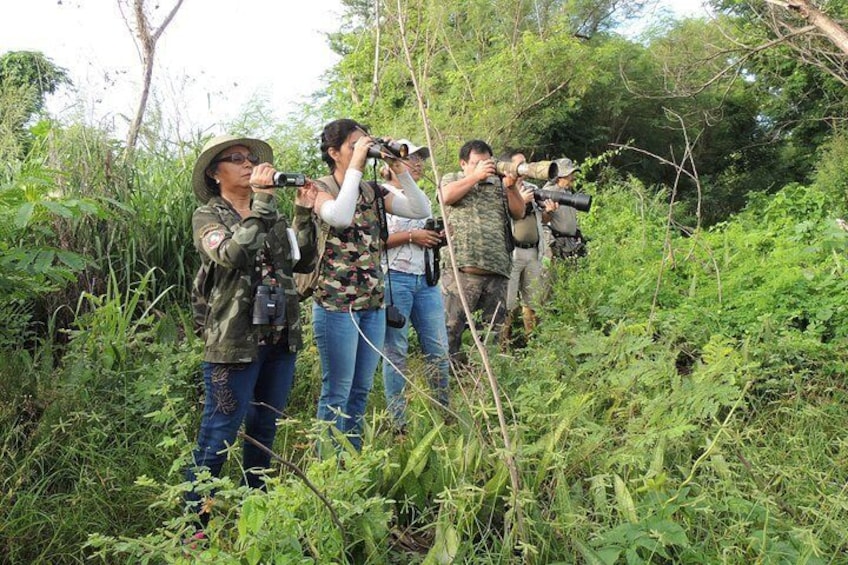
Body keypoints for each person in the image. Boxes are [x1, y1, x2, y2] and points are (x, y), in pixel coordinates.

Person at [185, 134, 317, 522]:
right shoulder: (208, 216)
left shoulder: (272, 214)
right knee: (219, 433)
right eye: (236, 159)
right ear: (215, 172)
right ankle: (195, 524)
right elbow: (232, 254)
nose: (248, 164)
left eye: (251, 158)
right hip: (234, 343)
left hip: (279, 338)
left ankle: (254, 515)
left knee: (264, 431)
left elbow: (303, 262)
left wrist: (304, 214)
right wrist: (262, 203)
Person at [312, 119, 430, 452]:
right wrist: (357, 167)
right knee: (337, 390)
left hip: (372, 304)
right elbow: (340, 216)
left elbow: (421, 208)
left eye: (365, 145)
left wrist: (398, 168)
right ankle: (327, 467)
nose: (361, 152)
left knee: (361, 390)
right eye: (353, 146)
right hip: (336, 306)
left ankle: (352, 459)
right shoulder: (317, 188)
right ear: (334, 153)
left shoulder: (373, 191)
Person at [379, 140, 450, 431]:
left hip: (426, 279)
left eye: (421, 158)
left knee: (438, 349)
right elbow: (375, 239)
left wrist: (437, 236)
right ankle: (399, 424)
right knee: (396, 352)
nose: (418, 163)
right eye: (413, 158)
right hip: (394, 279)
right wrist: (413, 236)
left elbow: (424, 233)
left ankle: (445, 415)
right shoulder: (380, 195)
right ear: (391, 164)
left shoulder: (421, 197)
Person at [439, 140, 529, 363]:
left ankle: (486, 386)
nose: (484, 167)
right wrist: (476, 177)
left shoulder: (499, 185)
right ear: (463, 164)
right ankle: (452, 384)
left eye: (487, 163)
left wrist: (510, 186)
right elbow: (445, 197)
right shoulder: (453, 179)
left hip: (497, 273)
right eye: (477, 163)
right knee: (450, 332)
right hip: (461, 272)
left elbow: (519, 212)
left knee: (492, 334)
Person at [501, 151, 551, 346]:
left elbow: (543, 220)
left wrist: (548, 212)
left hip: (534, 251)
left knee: (533, 301)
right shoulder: (501, 189)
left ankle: (533, 345)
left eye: (525, 163)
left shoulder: (533, 188)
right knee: (508, 303)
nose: (525, 167)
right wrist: (519, 199)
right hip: (512, 252)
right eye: (520, 164)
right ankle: (503, 346)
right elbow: (503, 217)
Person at [542, 158, 587, 262]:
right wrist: (551, 244)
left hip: (570, 243)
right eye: (569, 175)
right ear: (559, 177)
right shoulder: (547, 193)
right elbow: (541, 221)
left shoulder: (567, 192)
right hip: (555, 245)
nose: (572, 177)